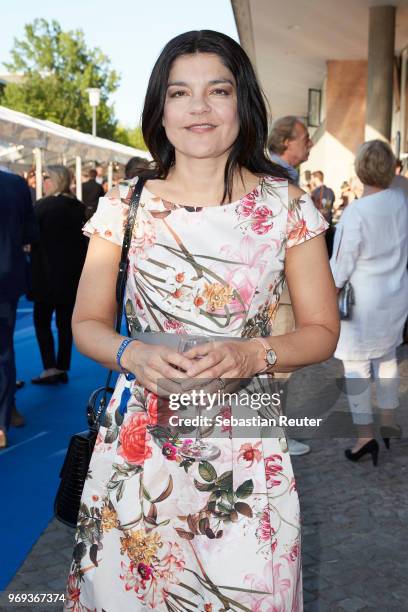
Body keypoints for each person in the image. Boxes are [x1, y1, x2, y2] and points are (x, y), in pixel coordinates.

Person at [64, 30, 339, 610]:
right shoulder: (124, 204)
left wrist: (250, 354)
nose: (199, 107)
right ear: (159, 110)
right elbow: (86, 320)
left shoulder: (287, 206)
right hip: (141, 445)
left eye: (218, 90)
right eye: (179, 92)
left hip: (246, 443)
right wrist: (130, 354)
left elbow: (321, 331)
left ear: (242, 102)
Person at [330, 140, 408, 466]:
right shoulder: (402, 202)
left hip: (362, 300)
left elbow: (343, 263)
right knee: (387, 358)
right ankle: (388, 423)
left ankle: (365, 437)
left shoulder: (358, 211)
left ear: (361, 169)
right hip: (396, 293)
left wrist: (329, 288)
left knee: (356, 366)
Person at [267, 116, 315, 456]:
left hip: (281, 289)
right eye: (305, 138)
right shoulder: (277, 177)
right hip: (278, 290)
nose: (309, 144)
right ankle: (273, 437)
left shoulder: (281, 174)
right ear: (287, 142)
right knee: (277, 367)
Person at [30, 165, 87, 385]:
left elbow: (30, 235)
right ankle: (62, 366)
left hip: (45, 274)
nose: (43, 181)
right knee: (65, 323)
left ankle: (50, 367)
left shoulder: (42, 207)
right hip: (70, 276)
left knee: (42, 321)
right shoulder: (78, 207)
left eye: (46, 177)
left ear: (56, 180)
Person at [0, 170, 38, 448]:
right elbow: (30, 233)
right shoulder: (16, 183)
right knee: (4, 350)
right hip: (9, 276)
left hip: (9, 276)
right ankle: (4, 416)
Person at [310, 170, 335, 257]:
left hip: (318, 227)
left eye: (312, 178)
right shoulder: (330, 191)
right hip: (329, 224)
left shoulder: (314, 192)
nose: (311, 181)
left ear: (316, 178)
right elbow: (329, 207)